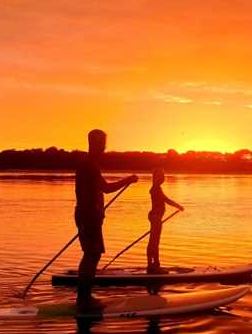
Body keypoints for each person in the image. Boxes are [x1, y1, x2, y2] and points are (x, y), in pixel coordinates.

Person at [75, 129, 137, 308]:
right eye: (102, 143)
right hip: (89, 216)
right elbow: (106, 188)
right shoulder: (89, 165)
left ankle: (84, 297)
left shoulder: (87, 164)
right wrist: (128, 180)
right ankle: (84, 299)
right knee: (91, 255)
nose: (104, 147)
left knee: (91, 255)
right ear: (94, 143)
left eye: (104, 143)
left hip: (88, 215)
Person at [146, 169, 184, 274]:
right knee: (154, 242)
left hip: (155, 216)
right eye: (160, 176)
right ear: (155, 178)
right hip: (156, 217)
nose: (162, 178)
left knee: (153, 241)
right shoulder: (156, 189)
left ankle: (150, 266)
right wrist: (178, 206)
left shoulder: (157, 188)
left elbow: (164, 199)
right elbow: (166, 200)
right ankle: (155, 266)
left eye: (163, 176)